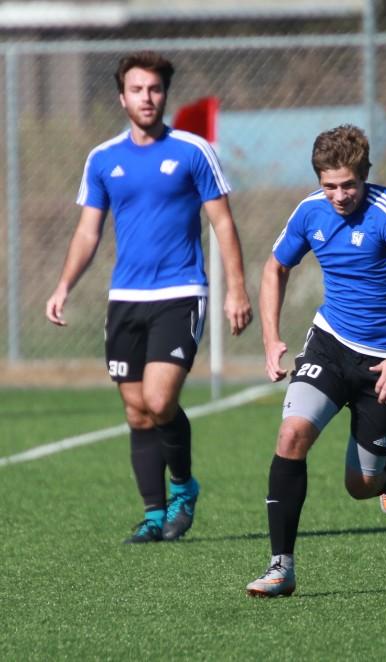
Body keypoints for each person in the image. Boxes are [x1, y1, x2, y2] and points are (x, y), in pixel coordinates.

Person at [44, 51, 254, 544]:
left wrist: (237, 291)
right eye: (137, 89)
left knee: (160, 400)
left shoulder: (193, 151)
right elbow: (87, 232)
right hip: (125, 298)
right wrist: (63, 286)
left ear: (165, 94)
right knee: (136, 410)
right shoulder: (102, 159)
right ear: (122, 97)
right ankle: (154, 513)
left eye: (155, 89)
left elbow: (222, 222)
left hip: (180, 291)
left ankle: (183, 487)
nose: (147, 98)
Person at [245, 125, 386, 598]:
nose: (339, 196)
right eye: (329, 185)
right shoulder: (309, 212)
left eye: (349, 185)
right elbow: (276, 267)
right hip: (331, 345)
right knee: (291, 434)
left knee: (360, 485)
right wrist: (272, 337)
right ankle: (281, 567)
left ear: (365, 176)